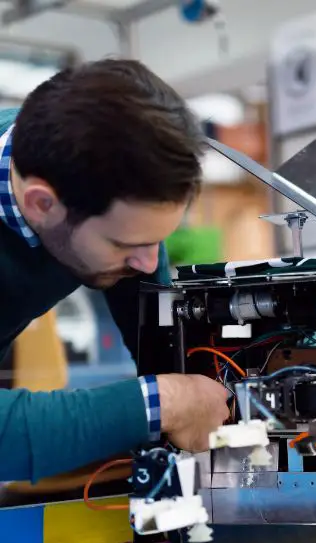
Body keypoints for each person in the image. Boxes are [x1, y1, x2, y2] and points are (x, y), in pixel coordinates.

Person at [0, 58, 230, 485]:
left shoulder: (80, 170)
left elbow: (159, 339)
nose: (147, 262)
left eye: (156, 238)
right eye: (125, 245)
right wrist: (166, 402)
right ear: (41, 205)